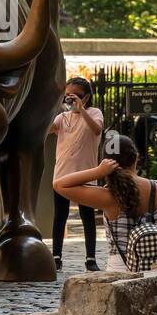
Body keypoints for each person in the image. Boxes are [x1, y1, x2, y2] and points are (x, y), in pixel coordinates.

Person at [54, 135, 157, 273]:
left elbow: (59, 185)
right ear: (136, 157)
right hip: (156, 268)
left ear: (106, 163)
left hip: (120, 270)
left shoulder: (108, 196)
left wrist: (98, 172)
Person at [48, 76, 103, 272]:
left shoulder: (94, 113)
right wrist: (55, 106)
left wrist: (81, 111)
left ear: (87, 97)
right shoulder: (62, 118)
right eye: (68, 96)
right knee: (59, 216)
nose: (72, 100)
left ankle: (90, 257)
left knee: (87, 216)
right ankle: (56, 257)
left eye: (76, 96)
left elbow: (97, 130)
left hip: (86, 174)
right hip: (62, 174)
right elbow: (45, 129)